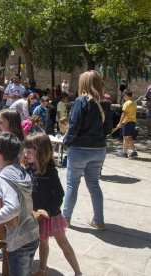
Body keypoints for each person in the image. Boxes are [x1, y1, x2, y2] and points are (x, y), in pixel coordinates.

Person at [0, 132, 39, 275]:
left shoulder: (4, 176)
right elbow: (16, 197)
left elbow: (13, 207)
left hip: (18, 242)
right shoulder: (20, 170)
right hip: (31, 234)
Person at [21, 133, 82, 276]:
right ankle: (43, 271)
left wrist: (50, 210)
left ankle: (78, 273)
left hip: (51, 215)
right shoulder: (27, 169)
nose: (26, 154)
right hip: (36, 215)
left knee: (63, 243)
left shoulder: (50, 171)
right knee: (43, 242)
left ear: (40, 151)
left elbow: (59, 194)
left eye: (30, 151)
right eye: (26, 150)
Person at [62, 70, 112, 231]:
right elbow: (108, 128)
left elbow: (74, 127)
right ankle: (99, 220)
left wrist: (66, 141)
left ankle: (66, 219)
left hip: (79, 149)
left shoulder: (80, 101)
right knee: (94, 185)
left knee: (72, 185)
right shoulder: (105, 103)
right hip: (99, 149)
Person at [116, 89, 137, 158]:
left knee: (125, 138)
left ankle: (124, 153)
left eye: (124, 96)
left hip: (127, 122)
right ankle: (133, 151)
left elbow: (124, 114)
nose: (124, 98)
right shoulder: (134, 103)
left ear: (126, 95)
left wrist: (120, 123)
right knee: (130, 137)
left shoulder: (126, 103)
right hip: (133, 122)